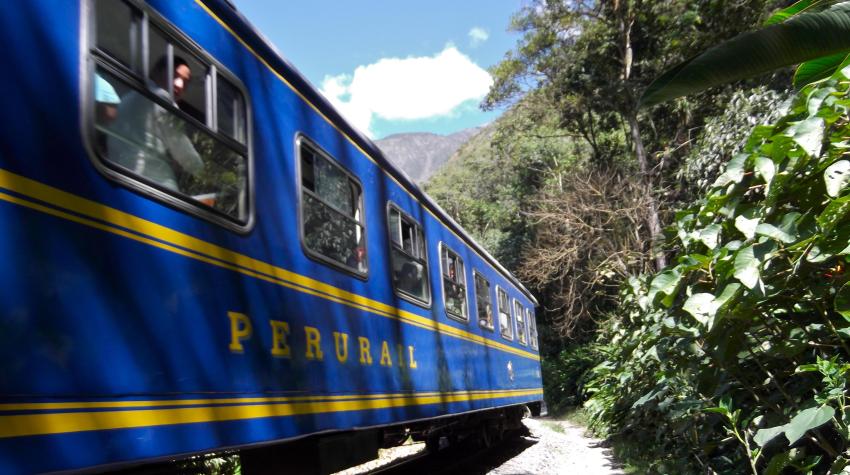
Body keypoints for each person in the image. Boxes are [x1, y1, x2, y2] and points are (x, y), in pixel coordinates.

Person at [107, 56, 203, 192]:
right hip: (152, 179)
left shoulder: (129, 97)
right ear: (156, 72)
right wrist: (202, 171)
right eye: (175, 76)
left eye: (185, 83)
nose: (179, 85)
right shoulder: (162, 98)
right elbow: (182, 149)